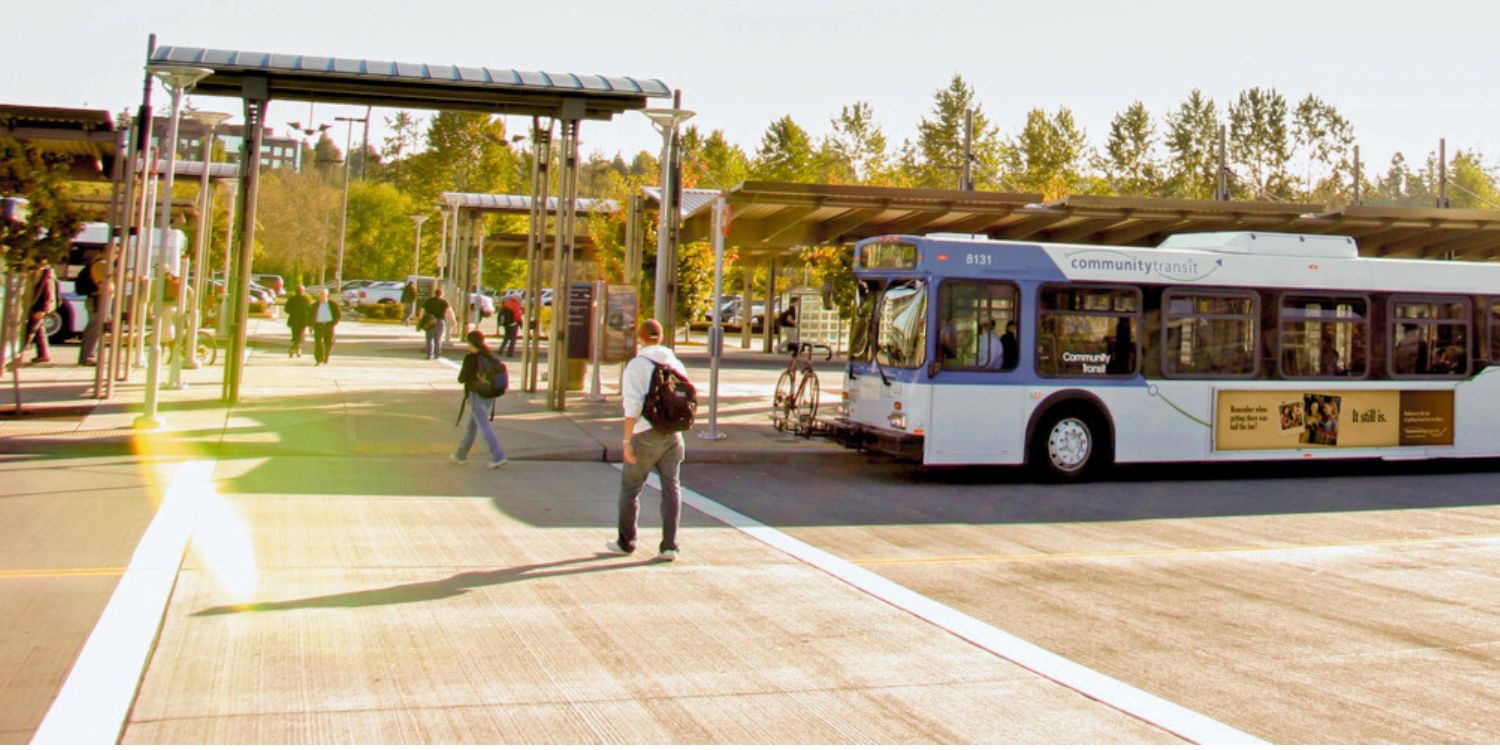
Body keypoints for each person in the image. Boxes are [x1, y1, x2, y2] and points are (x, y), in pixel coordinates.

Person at [608, 319, 687, 562]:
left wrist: (626, 440)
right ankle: (669, 546)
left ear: (640, 337)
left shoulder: (637, 365)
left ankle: (627, 541)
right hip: (673, 435)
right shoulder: (675, 363)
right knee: (671, 488)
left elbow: (632, 405)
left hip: (645, 433)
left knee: (630, 489)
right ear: (661, 337)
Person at [452, 329, 509, 469]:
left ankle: (498, 455)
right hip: (490, 397)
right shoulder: (489, 357)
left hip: (477, 396)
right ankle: (460, 455)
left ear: (470, 342)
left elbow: (461, 379)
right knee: (472, 427)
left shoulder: (471, 358)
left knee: (484, 426)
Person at [74, 255, 105, 366]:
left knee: (91, 328)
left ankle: (84, 356)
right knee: (95, 329)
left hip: (92, 299)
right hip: (98, 300)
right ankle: (89, 356)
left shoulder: (92, 266)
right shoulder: (101, 265)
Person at [24, 266, 58, 363]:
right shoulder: (44, 274)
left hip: (39, 307)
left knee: (31, 329)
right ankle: (43, 354)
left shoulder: (46, 276)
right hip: (38, 306)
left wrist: (43, 309)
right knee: (39, 329)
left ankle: (20, 350)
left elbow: (49, 294)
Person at [420, 287, 457, 360]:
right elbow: (449, 312)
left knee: (429, 338)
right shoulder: (444, 302)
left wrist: (421, 319)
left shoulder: (429, 301)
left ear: (434, 294)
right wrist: (453, 320)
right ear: (442, 294)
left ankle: (429, 354)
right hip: (440, 321)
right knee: (438, 339)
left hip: (429, 321)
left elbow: (422, 310)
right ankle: (436, 354)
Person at [310, 288, 341, 365]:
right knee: (318, 343)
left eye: (324, 295)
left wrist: (333, 323)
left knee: (328, 342)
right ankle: (318, 359)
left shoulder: (333, 305)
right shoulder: (314, 305)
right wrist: (310, 325)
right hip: (318, 326)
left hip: (329, 326)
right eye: (321, 295)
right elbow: (310, 316)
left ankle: (326, 355)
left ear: (327, 295)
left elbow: (338, 316)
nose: (322, 297)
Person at [284, 284, 311, 358]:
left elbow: (310, 309)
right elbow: (286, 309)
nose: (300, 291)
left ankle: (293, 349)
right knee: (295, 336)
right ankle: (296, 349)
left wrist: (309, 318)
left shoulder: (306, 299)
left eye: (302, 290)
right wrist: (293, 311)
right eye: (299, 290)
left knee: (299, 337)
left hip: (303, 320)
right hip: (294, 320)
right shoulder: (292, 299)